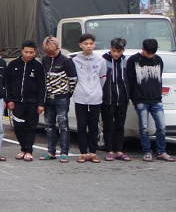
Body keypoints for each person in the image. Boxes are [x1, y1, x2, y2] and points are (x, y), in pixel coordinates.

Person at [126, 38, 172, 162]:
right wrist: (133, 98)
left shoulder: (158, 60)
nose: (151, 56)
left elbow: (159, 78)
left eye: (153, 53)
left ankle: (162, 151)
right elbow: (130, 80)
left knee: (161, 127)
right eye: (149, 53)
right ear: (143, 49)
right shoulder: (133, 60)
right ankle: (147, 151)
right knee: (144, 127)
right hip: (140, 99)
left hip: (156, 99)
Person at [5, 41, 46, 162]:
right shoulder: (13, 64)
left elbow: (42, 86)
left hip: (33, 102)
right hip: (17, 101)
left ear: (35, 52)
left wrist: (41, 103)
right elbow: (7, 83)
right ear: (21, 51)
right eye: (26, 52)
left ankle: (28, 151)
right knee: (18, 126)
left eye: (31, 52)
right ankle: (23, 148)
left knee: (31, 127)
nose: (28, 55)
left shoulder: (38, 67)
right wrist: (9, 99)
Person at [40, 36, 77, 162]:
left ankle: (64, 152)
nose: (51, 55)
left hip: (62, 97)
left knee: (63, 124)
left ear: (58, 48)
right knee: (49, 125)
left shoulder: (66, 61)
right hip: (48, 98)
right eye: (48, 53)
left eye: (53, 52)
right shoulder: (44, 60)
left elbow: (73, 79)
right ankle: (51, 151)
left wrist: (67, 93)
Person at [73, 33, 106, 163]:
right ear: (80, 45)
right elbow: (73, 79)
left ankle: (92, 152)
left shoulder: (100, 60)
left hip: (95, 98)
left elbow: (102, 78)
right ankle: (83, 152)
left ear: (94, 45)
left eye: (91, 44)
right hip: (80, 97)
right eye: (86, 44)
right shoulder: (75, 60)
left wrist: (96, 90)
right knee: (81, 126)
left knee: (94, 126)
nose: (88, 46)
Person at [101, 38, 130, 161]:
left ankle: (119, 150)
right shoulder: (103, 61)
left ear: (123, 50)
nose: (116, 54)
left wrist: (128, 96)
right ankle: (109, 150)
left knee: (120, 126)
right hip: (107, 98)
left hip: (122, 98)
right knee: (108, 126)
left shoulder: (125, 61)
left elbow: (129, 79)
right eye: (114, 51)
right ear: (110, 49)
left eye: (119, 51)